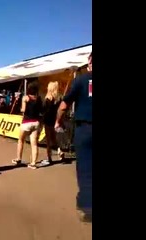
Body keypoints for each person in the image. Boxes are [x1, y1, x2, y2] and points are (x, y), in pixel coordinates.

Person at [55, 52, 92, 223]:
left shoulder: (81, 80)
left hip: (85, 129)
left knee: (85, 168)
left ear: (90, 63)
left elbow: (63, 106)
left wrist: (58, 121)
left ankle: (87, 208)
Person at [12, 82, 43, 169]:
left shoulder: (25, 97)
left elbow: (23, 109)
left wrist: (19, 105)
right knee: (34, 144)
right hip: (36, 122)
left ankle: (18, 159)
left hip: (26, 122)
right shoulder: (39, 98)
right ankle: (33, 163)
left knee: (21, 140)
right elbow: (41, 110)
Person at [40, 81, 64, 166]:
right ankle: (59, 151)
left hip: (48, 121)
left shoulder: (48, 99)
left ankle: (49, 158)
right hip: (55, 120)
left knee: (48, 141)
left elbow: (45, 111)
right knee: (54, 139)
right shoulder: (59, 98)